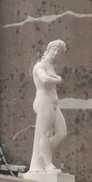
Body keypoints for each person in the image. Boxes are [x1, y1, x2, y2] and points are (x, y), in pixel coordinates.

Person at [27, 40, 67, 174]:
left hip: (52, 102)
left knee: (62, 133)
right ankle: (48, 163)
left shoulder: (51, 66)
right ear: (48, 50)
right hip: (43, 101)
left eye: (59, 52)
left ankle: (40, 157)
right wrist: (58, 79)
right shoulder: (40, 65)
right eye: (54, 50)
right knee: (46, 133)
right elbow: (44, 79)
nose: (56, 54)